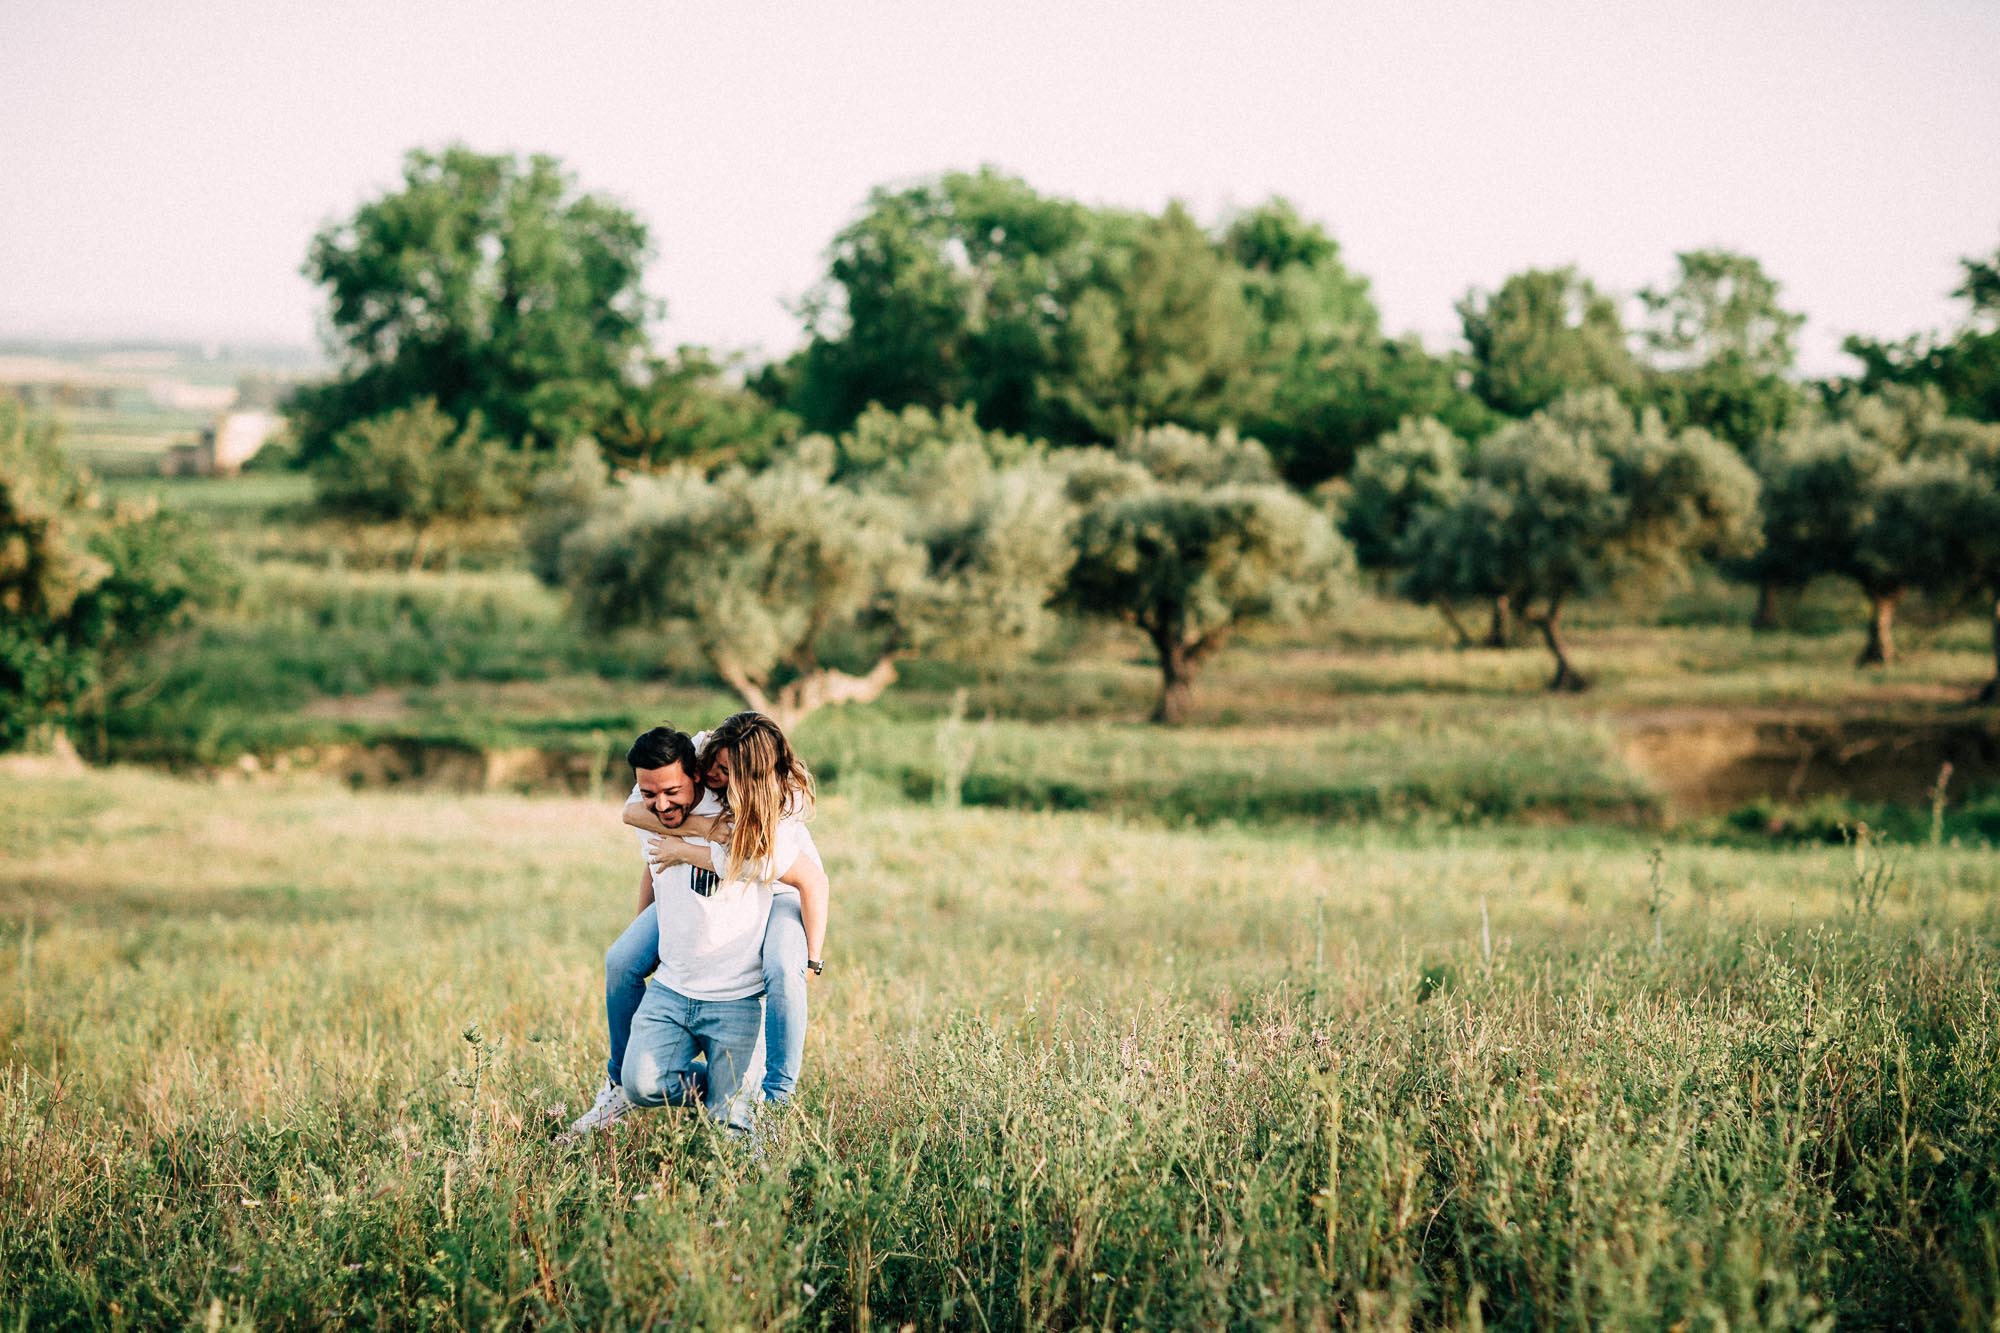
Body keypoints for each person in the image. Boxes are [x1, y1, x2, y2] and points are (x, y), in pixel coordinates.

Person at [563, 716, 827, 1138]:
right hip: (715, 893)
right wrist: (658, 919)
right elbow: (639, 826)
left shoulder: (772, 809)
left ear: (747, 781)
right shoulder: (696, 757)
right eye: (712, 766)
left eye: (724, 774)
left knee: (782, 968)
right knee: (622, 959)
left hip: (781, 889)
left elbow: (807, 879)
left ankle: (776, 1096)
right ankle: (620, 1083)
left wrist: (813, 959)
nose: (711, 775)